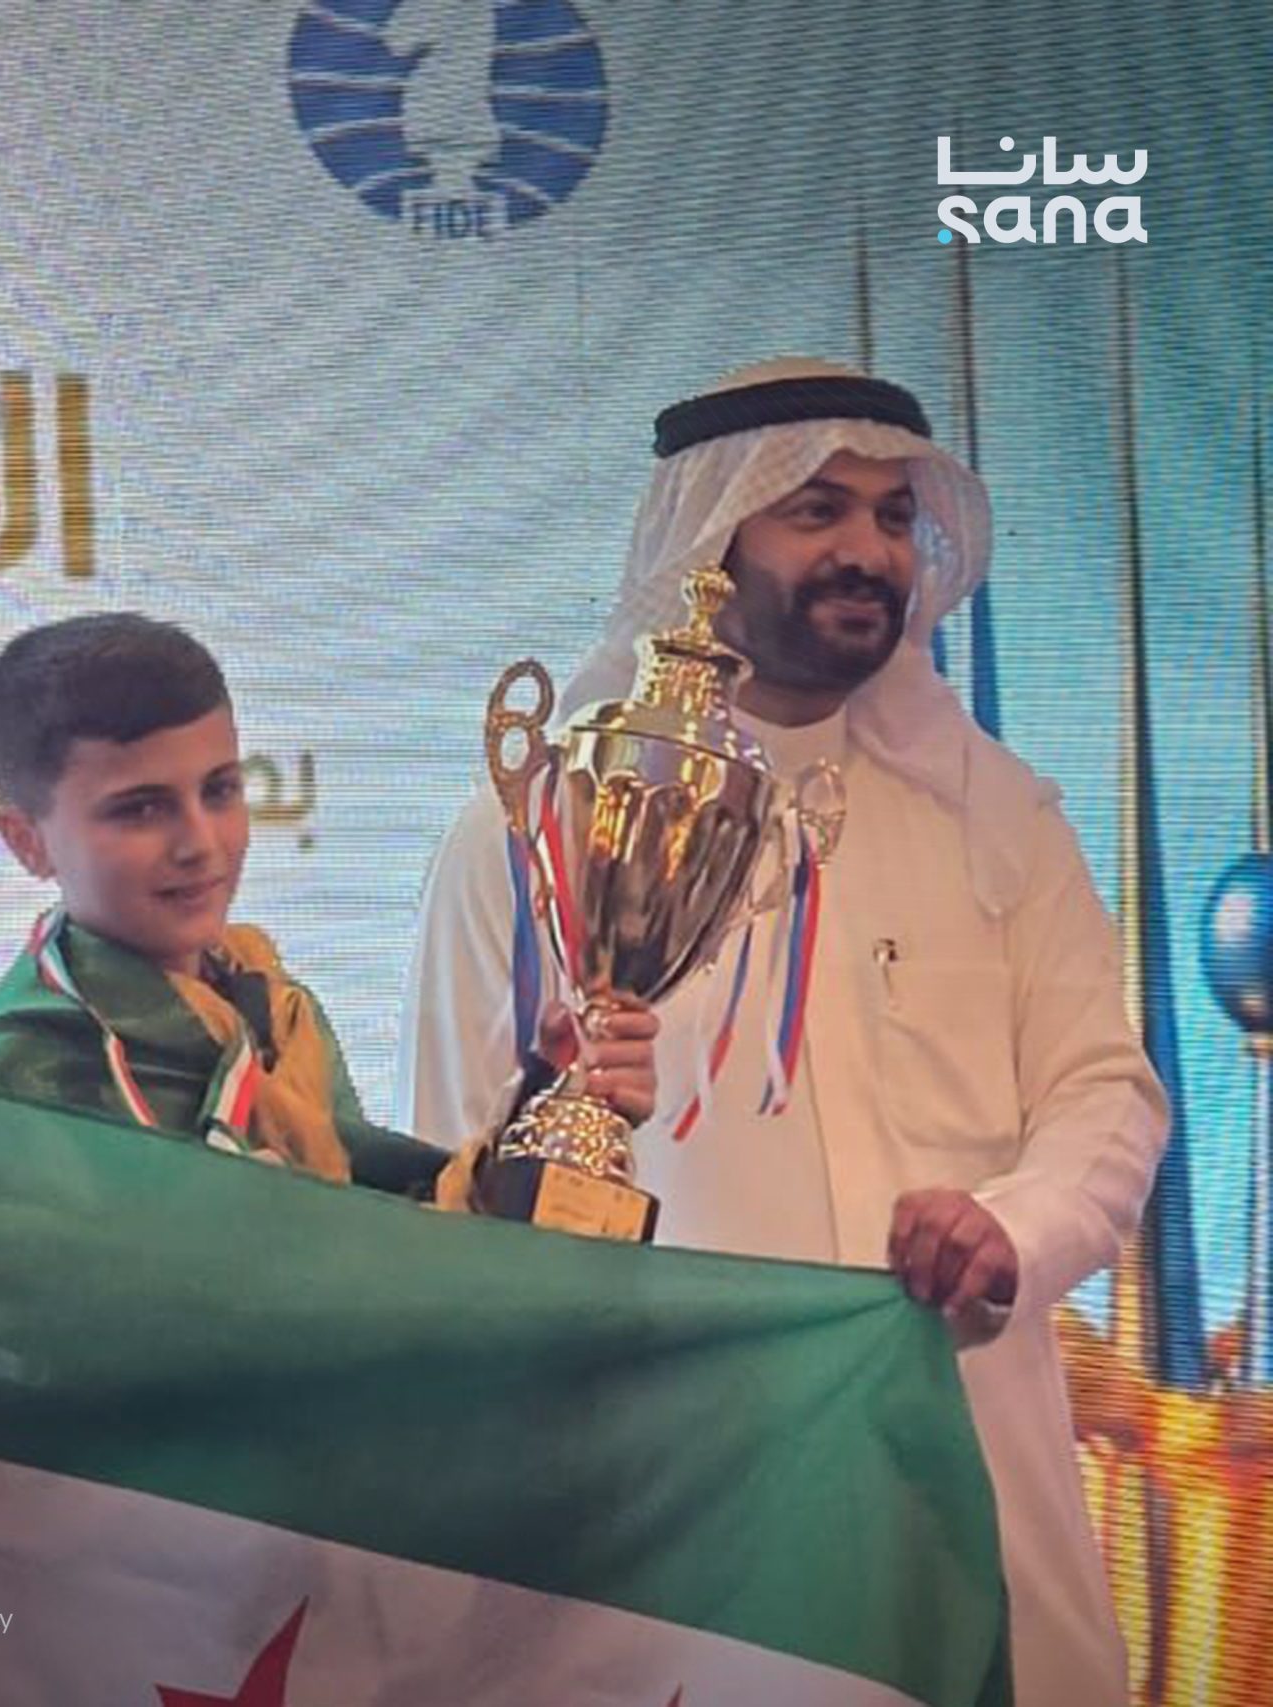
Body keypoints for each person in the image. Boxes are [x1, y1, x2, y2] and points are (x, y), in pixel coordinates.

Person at [398, 357, 1168, 1707]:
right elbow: (448, 1180)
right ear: (712, 535)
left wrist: (1013, 1230)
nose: (867, 550)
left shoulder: (1000, 820)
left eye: (891, 515)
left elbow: (1107, 1096)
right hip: (675, 1494)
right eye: (816, 510)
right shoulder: (538, 829)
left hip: (955, 1447)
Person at [0, 612, 656, 1198]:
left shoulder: (274, 1006)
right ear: (27, 841)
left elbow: (372, 1219)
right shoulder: (22, 1074)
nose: (200, 843)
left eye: (220, 790)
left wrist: (554, 1109)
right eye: (141, 809)